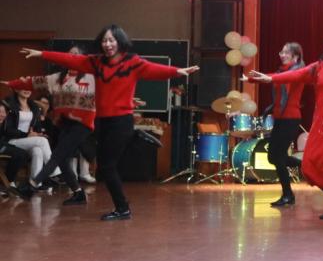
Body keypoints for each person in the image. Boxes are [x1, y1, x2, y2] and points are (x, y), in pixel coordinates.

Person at [21, 25, 198, 220]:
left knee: (107, 167)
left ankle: (123, 208)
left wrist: (177, 71)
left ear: (119, 41)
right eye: (104, 40)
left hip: (121, 121)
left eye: (111, 40)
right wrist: (42, 54)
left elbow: (154, 69)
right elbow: (71, 59)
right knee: (103, 165)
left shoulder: (132, 62)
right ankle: (123, 198)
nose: (108, 44)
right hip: (102, 121)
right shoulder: (96, 63)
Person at [248, 29, 323, 220]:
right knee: (308, 165)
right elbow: (295, 75)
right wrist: (270, 78)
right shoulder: (319, 67)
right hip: (321, 122)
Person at [3, 45, 97, 205]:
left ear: (82, 59)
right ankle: (78, 193)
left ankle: (32, 185)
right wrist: (13, 83)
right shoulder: (58, 78)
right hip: (65, 123)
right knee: (62, 160)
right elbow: (35, 82)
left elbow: (110, 90)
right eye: (69, 54)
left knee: (57, 155)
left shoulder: (91, 77)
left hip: (83, 123)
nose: (71, 57)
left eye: (75, 55)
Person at [259, 42, 306, 207]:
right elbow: (271, 77)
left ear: (296, 56)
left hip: (290, 119)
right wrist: (250, 78)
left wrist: (269, 78)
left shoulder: (298, 72)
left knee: (278, 157)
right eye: (281, 52)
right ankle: (306, 165)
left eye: (286, 53)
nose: (282, 55)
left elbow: (279, 78)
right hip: (280, 118)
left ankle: (288, 194)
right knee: (272, 157)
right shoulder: (281, 72)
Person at [2, 88, 56, 192]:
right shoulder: (10, 104)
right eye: (23, 87)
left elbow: (36, 126)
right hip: (12, 140)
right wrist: (26, 134)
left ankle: (35, 183)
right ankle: (53, 171)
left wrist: (38, 133)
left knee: (38, 150)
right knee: (42, 141)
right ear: (16, 90)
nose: (26, 90)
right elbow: (7, 129)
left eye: (28, 88)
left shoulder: (33, 106)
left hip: (27, 140)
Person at [0, 102, 34, 199]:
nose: (2, 114)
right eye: (0, 112)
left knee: (23, 153)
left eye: (3, 112)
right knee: (20, 153)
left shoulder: (3, 123)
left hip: (3, 145)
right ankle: (7, 182)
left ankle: (7, 181)